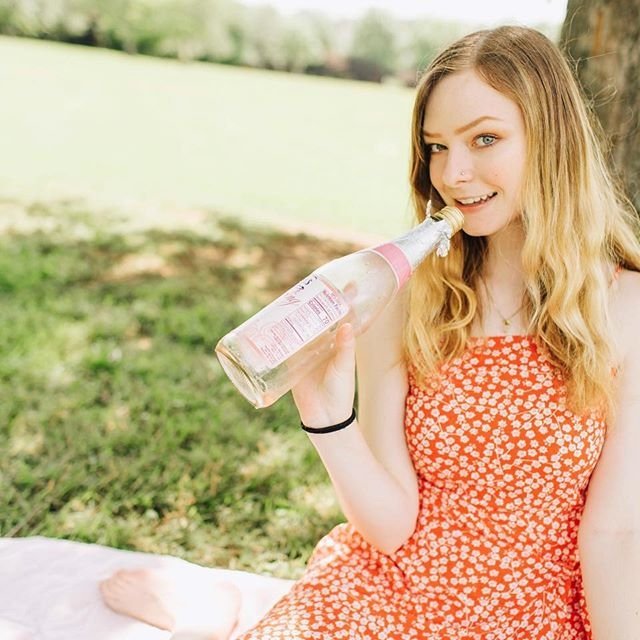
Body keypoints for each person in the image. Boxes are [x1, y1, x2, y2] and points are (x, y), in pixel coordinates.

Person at [99, 25, 640, 639]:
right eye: (436, 146)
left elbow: (617, 532)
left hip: (536, 616)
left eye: (485, 139)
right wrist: (326, 415)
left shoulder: (625, 310)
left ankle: (230, 609)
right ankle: (224, 613)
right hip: (389, 592)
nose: (454, 173)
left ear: (551, 140)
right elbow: (390, 526)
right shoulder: (408, 297)